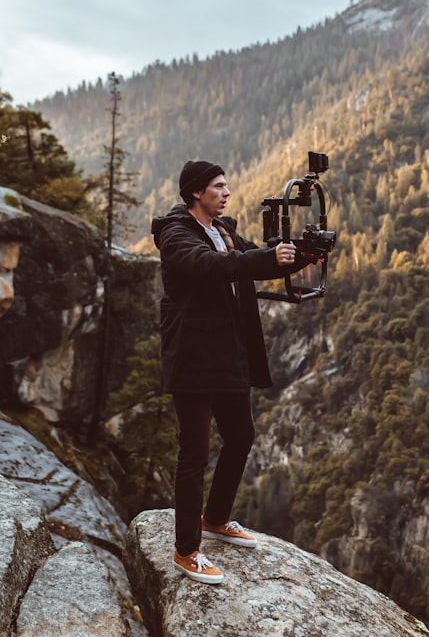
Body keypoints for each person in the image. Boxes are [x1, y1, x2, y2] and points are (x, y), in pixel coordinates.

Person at [150, 160, 304, 585]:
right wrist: (261, 257)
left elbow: (255, 261)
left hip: (227, 354)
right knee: (194, 452)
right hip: (194, 357)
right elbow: (213, 266)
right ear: (196, 192)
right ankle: (185, 551)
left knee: (241, 435)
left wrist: (301, 253)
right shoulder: (176, 234)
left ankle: (215, 518)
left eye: (226, 185)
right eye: (218, 186)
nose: (227, 192)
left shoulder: (225, 232)